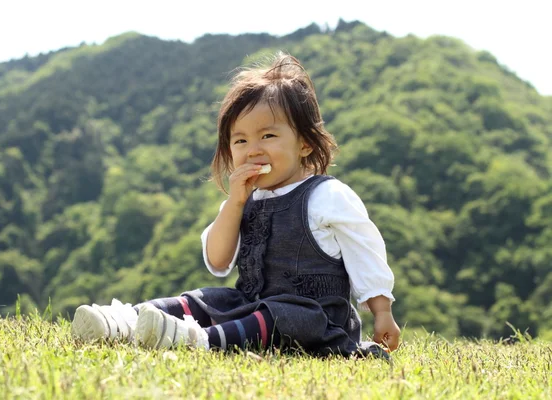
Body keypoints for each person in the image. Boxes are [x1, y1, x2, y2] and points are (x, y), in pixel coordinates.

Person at [71, 52, 401, 358]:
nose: (253, 149)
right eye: (240, 140)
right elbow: (218, 260)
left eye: (268, 136)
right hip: (251, 305)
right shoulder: (245, 199)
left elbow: (365, 253)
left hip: (315, 319)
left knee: (279, 315)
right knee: (204, 298)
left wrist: (382, 312)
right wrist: (235, 202)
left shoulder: (327, 196)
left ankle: (197, 340)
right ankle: (128, 321)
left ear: (304, 143)